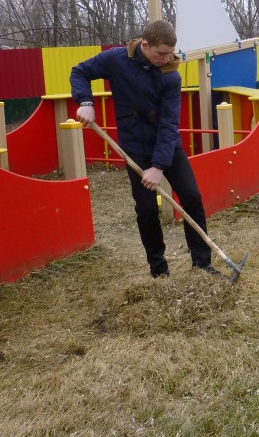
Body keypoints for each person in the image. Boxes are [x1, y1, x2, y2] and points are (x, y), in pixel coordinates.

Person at [71, 20, 217, 278]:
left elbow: (169, 124)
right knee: (147, 208)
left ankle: (202, 264)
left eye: (170, 53)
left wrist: (158, 166)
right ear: (145, 45)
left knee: (191, 197)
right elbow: (79, 71)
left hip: (167, 144)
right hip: (134, 146)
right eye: (161, 53)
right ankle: (159, 271)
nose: (167, 58)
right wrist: (85, 102)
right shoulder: (116, 60)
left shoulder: (170, 75)